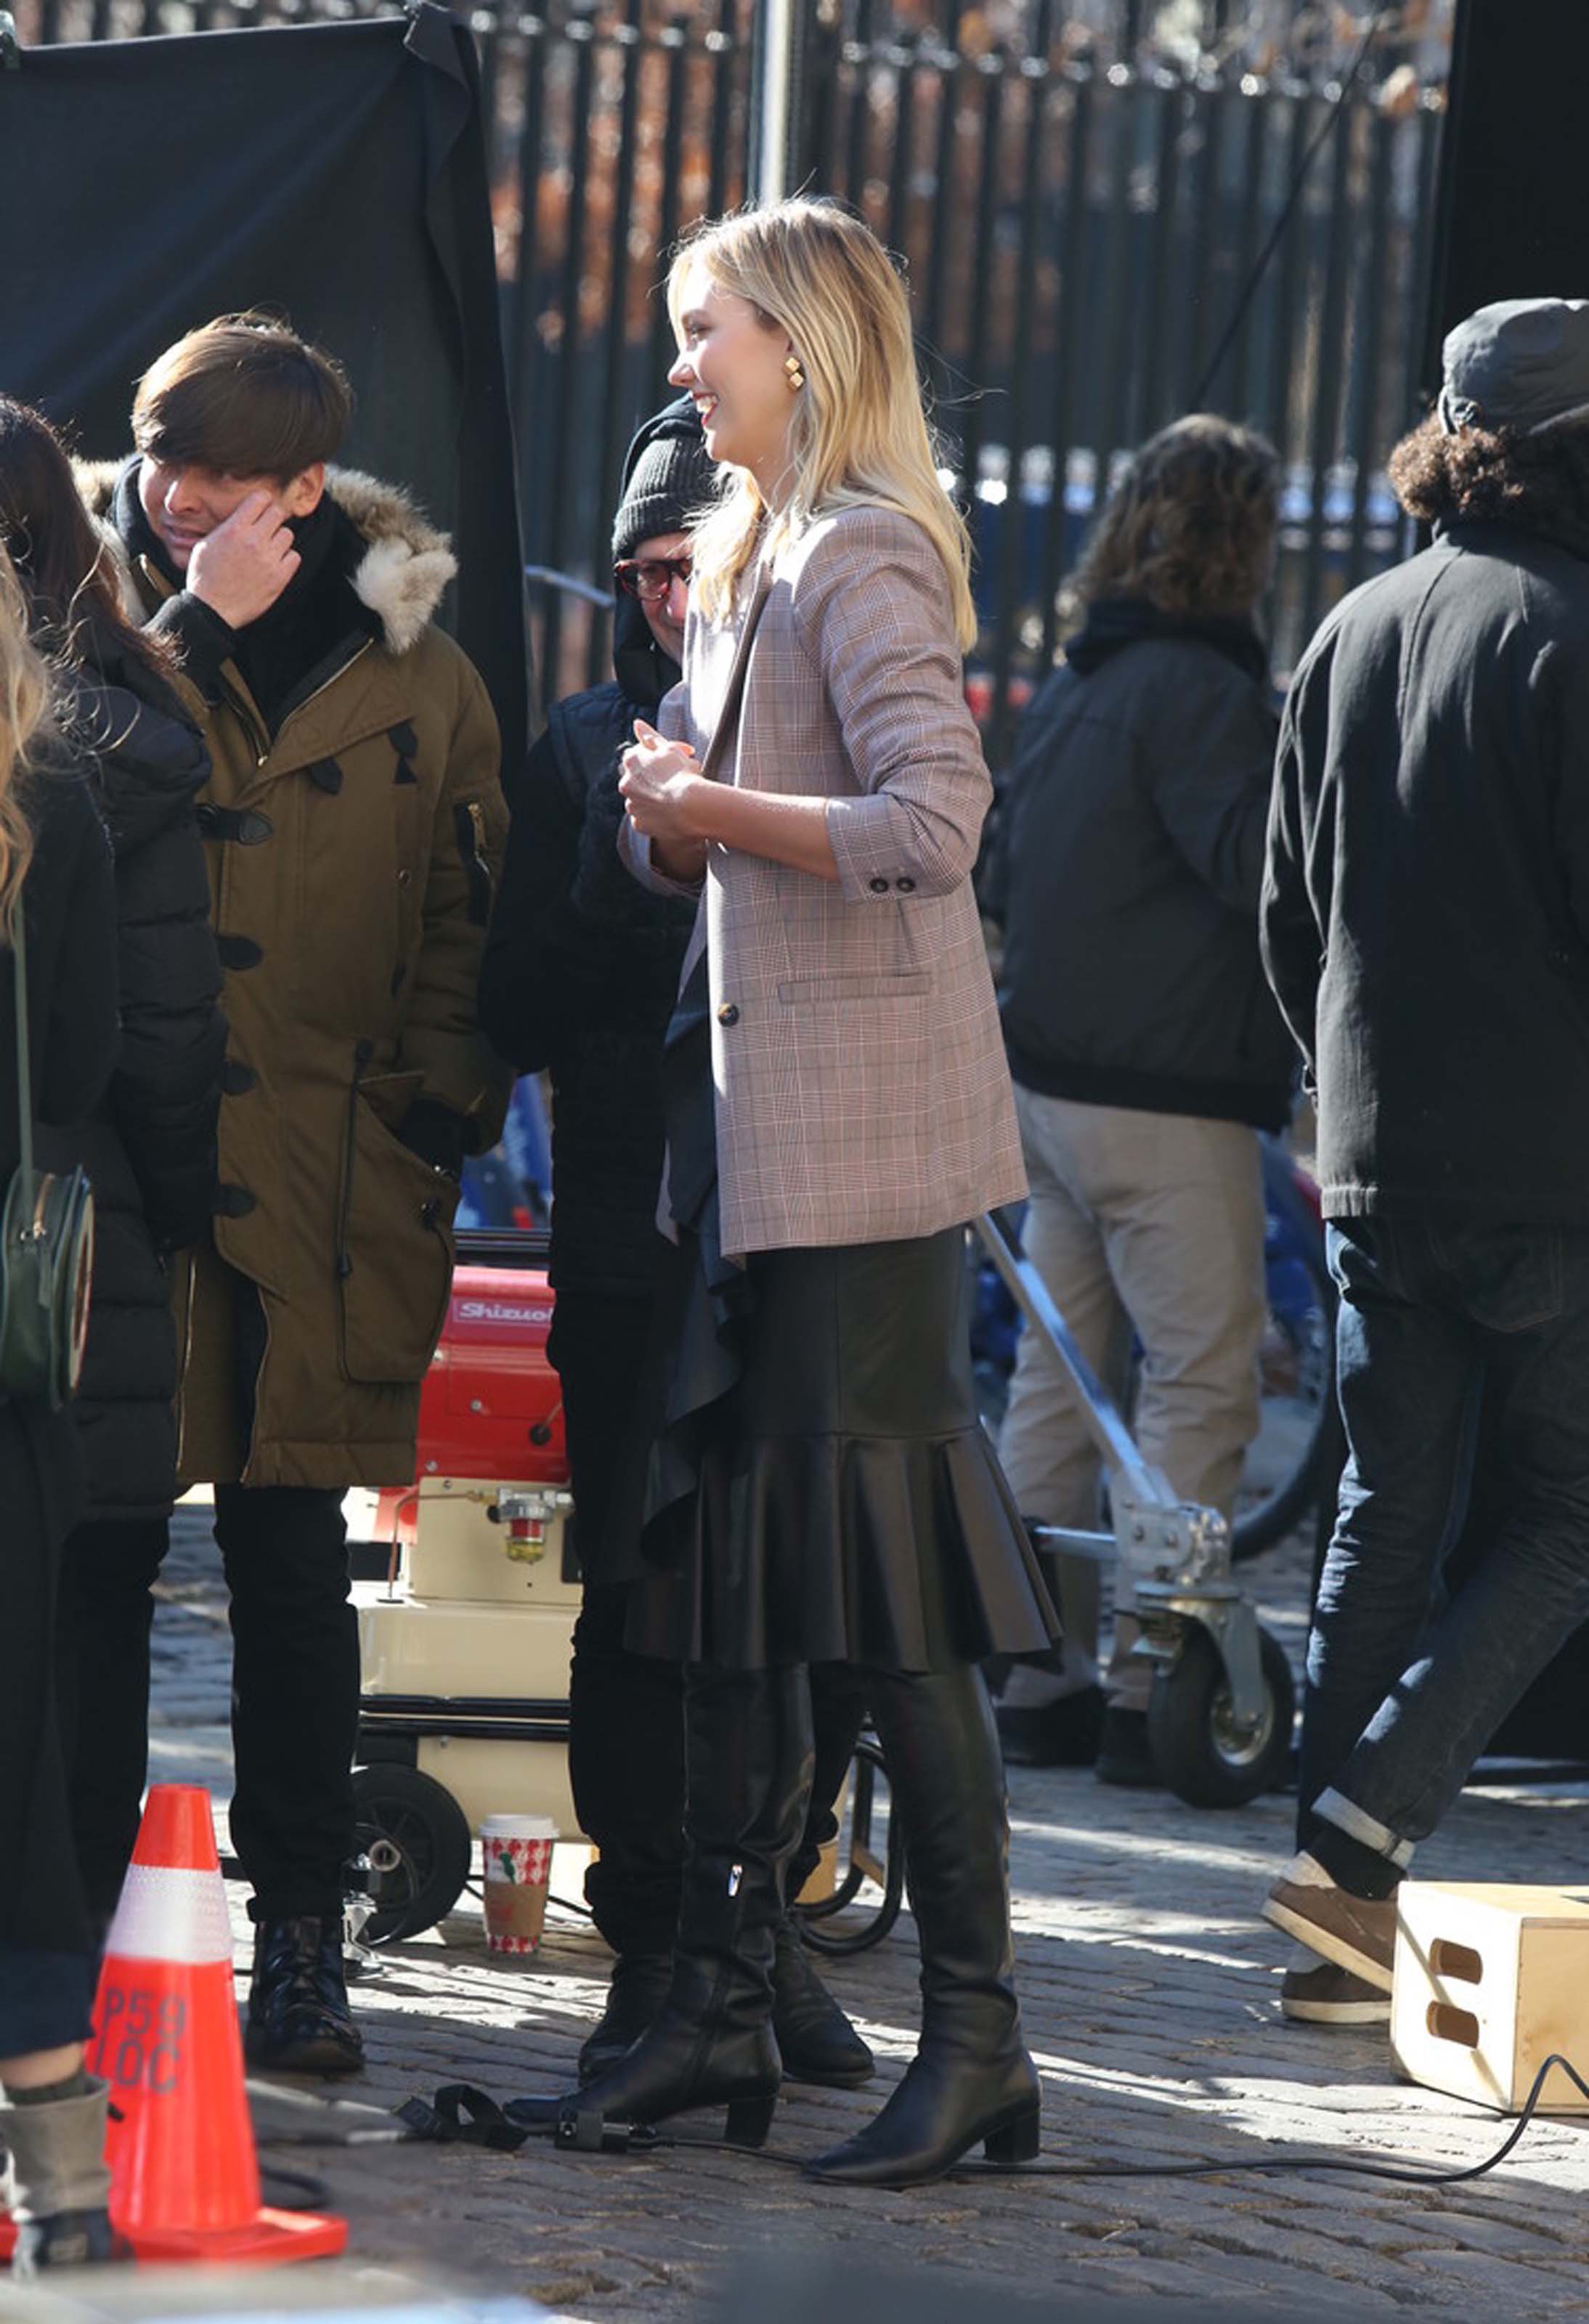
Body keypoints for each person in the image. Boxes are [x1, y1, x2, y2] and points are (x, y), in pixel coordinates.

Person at [564, 196, 1058, 2190]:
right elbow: (717, 857)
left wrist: (704, 810)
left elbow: (932, 824)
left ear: (805, 343)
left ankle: (979, 2045)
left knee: (882, 1624)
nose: (683, 367)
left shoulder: (858, 551)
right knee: (745, 1578)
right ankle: (712, 2007)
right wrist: (656, 830)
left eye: (710, 333)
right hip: (756, 1151)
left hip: (860, 1170)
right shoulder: (754, 555)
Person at [82, 313, 509, 2073]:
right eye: (160, 463)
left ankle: (302, 1945)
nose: (177, 500)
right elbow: (66, 799)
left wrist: (423, 1115)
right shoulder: (87, 622)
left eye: (219, 478)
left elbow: (461, 936)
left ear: (307, 487)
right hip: (120, 1176)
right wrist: (186, 634)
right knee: (89, 1565)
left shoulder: (422, 676)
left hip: (328, 1189)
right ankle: (68, 1925)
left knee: (289, 1577)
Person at [478, 397, 871, 2090]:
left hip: (796, 1217)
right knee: (632, 1596)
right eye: (636, 569)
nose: (658, 597)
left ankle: (761, 1930)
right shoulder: (581, 740)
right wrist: (630, 859)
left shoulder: (822, 713)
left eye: (683, 564)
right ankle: (654, 1944)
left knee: (805, 1601)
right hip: (633, 1233)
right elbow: (517, 1001)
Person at [1261, 297, 1589, 2026]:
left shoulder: (1353, 624)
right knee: (1560, 1521)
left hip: (1375, 1156)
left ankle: (1332, 1918)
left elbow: (1282, 922)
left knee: (1379, 1523)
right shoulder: (1568, 634)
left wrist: (1340, 1098)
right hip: (1550, 1172)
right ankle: (1360, 1828)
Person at [991, 416, 1292, 1784]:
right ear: (1246, 539)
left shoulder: (1081, 682)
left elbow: (1001, 878)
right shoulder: (1204, 691)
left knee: (1058, 1384)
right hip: (1167, 1095)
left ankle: (1033, 1674)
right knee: (1199, 1383)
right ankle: (1151, 1685)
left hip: (1050, 1086)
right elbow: (1254, 869)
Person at [0, 397, 226, 1940]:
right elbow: (118, 1052)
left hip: (63, 1251)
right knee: (74, 1619)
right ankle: (58, 1975)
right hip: (55, 1248)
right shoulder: (78, 791)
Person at [0, 546, 123, 2272]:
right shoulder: (57, 808)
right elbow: (86, 1073)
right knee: (15, 1786)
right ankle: (69, 2199)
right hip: (0, 1381)